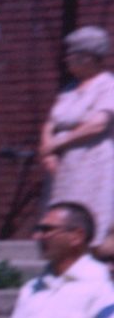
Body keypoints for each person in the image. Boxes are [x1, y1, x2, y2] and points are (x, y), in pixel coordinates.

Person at [38, 27, 114, 240]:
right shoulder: (69, 89)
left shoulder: (107, 85)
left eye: (71, 54)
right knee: (60, 218)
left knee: (87, 219)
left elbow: (97, 124)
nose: (66, 59)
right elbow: (51, 122)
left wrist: (57, 144)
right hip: (63, 167)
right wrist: (48, 152)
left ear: (88, 57)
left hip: (91, 163)